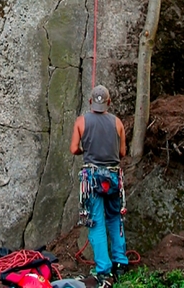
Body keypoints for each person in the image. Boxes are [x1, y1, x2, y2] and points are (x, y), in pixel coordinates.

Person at [70, 85, 129, 287]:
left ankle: (104, 269)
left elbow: (73, 149)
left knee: (95, 221)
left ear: (90, 102)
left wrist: (86, 150)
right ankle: (120, 263)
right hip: (113, 176)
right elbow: (122, 153)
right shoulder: (118, 123)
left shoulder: (81, 121)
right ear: (109, 103)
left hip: (92, 176)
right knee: (115, 218)